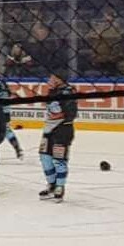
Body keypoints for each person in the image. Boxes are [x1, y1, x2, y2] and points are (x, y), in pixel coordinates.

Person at [38, 71, 79, 202]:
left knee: (59, 159)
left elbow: (70, 114)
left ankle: (60, 187)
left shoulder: (68, 92)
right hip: (48, 129)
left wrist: (58, 113)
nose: (49, 79)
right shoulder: (52, 91)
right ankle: (51, 184)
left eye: (52, 77)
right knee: (45, 157)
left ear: (59, 79)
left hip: (63, 130)